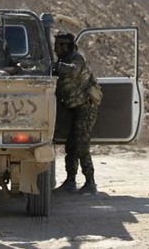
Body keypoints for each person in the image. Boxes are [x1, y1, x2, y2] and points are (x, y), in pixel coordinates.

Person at [53, 31, 102, 195]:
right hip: (72, 108)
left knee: (81, 145)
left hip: (85, 108)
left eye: (58, 45)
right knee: (71, 145)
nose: (55, 49)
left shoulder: (76, 58)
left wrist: (53, 66)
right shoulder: (62, 60)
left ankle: (90, 182)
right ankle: (70, 180)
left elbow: (73, 71)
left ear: (66, 46)